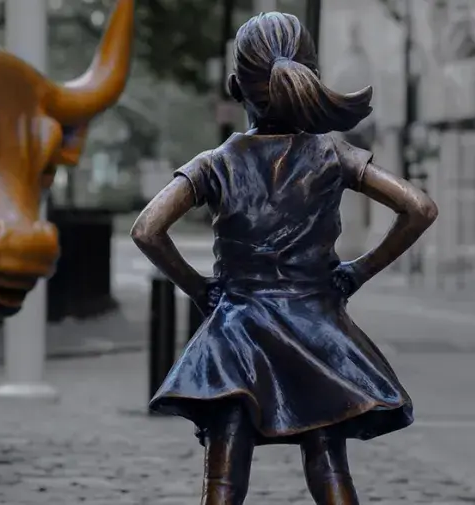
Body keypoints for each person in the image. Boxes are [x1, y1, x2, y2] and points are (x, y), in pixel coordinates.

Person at [129, 11, 438, 505]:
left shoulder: (216, 163)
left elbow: (147, 230)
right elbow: (419, 208)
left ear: (236, 86)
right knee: (328, 463)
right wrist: (357, 273)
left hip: (237, 331)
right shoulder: (332, 154)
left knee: (223, 479)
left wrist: (201, 288)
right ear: (309, 78)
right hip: (316, 329)